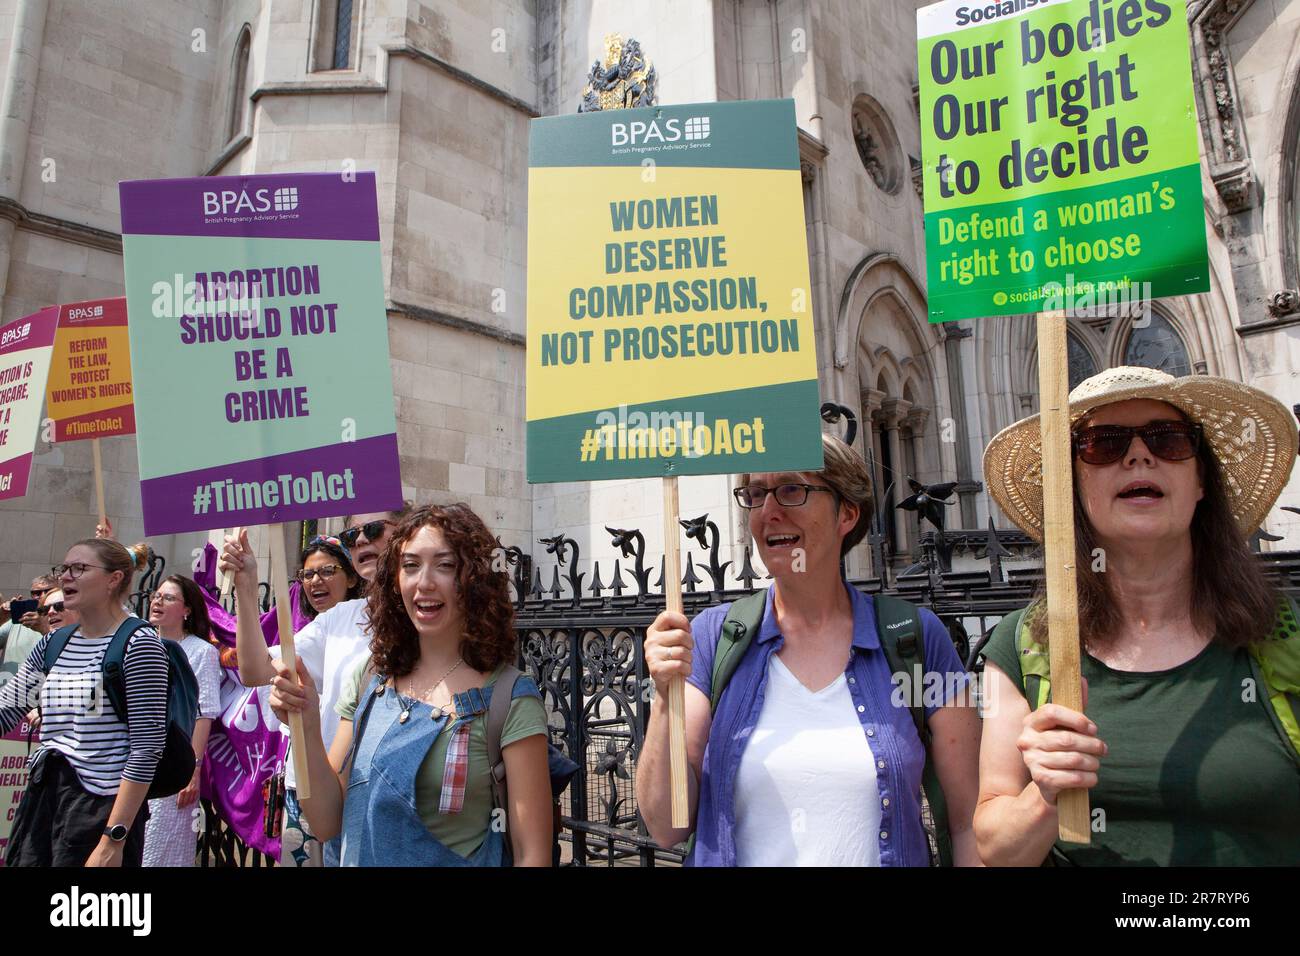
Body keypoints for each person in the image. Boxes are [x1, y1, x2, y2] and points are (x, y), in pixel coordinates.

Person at [976, 366, 1300, 865]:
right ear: (1072, 490)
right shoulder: (1024, 644)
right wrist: (1043, 794)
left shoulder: (1285, 635)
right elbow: (996, 850)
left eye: (1168, 439)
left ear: (1201, 482)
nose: (1138, 455)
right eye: (1103, 444)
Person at [635, 434, 982, 866]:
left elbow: (968, 821)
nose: (768, 511)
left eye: (792, 489)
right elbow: (666, 826)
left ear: (847, 514)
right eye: (756, 493)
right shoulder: (711, 636)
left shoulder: (917, 638)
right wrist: (664, 698)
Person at [267, 504, 553, 866]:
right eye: (411, 565)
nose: (425, 582)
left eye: (446, 565)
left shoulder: (509, 699)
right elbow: (325, 822)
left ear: (475, 578)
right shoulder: (369, 676)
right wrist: (305, 721)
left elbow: (534, 855)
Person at [219, 511, 404, 867]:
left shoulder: (428, 618)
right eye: (351, 536)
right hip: (322, 794)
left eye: (373, 530)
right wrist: (246, 585)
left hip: (389, 798)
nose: (362, 540)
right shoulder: (339, 618)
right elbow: (256, 669)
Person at [0, 539, 166, 866]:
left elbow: (147, 747)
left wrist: (113, 839)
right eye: (64, 569)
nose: (66, 578)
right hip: (43, 801)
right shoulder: (53, 643)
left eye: (79, 568)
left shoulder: (139, 644)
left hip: (100, 810)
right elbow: (6, 711)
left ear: (114, 579)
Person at [142, 575, 222, 867]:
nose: (157, 601)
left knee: (160, 849)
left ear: (187, 610)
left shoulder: (202, 652)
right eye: (156, 595)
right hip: (132, 761)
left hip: (172, 765)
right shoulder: (138, 644)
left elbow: (204, 713)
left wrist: (193, 770)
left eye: (168, 597)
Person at [1, 574, 57, 678]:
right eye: (35, 593)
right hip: (7, 688)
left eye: (48, 591)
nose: (40, 596)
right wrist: (2, 619)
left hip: (40, 689)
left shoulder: (61, 621)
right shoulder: (18, 621)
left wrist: (43, 627)